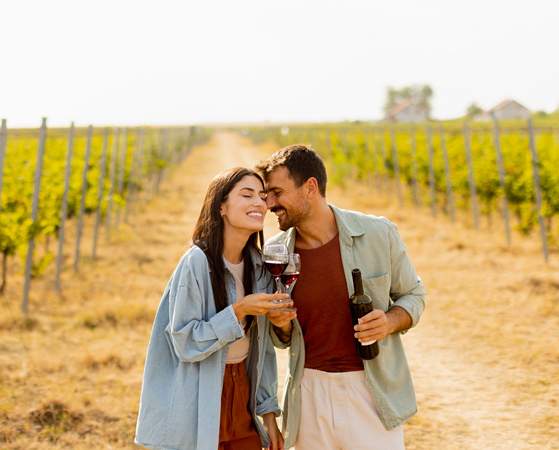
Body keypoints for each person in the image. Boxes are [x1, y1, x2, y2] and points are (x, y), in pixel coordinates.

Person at [255, 145, 426, 449]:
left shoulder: (378, 233)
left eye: (277, 193)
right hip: (308, 395)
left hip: (371, 392)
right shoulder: (275, 253)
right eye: (267, 195)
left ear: (310, 188)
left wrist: (388, 322)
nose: (269, 204)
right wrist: (280, 325)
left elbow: (413, 295)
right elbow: (281, 340)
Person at [135, 167, 292, 450]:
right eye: (247, 195)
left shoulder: (259, 266)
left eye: (262, 196)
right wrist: (238, 311)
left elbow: (263, 351)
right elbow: (184, 341)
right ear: (221, 206)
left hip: (242, 392)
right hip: (200, 394)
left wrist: (268, 413)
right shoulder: (196, 262)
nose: (259, 203)